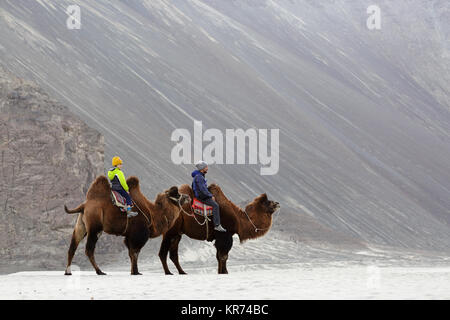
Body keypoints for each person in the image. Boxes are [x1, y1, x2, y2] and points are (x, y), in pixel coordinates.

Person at [192, 161, 226, 232]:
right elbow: (202, 189)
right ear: (202, 168)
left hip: (200, 194)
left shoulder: (199, 175)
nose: (207, 168)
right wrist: (210, 196)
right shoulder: (199, 177)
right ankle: (217, 225)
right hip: (201, 196)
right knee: (216, 205)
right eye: (206, 167)